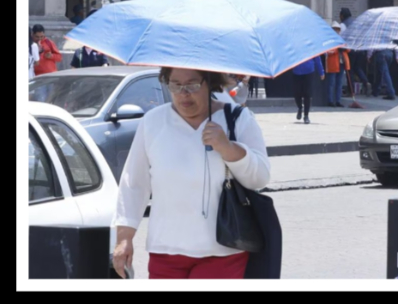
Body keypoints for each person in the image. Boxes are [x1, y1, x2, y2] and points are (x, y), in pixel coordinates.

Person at [112, 67, 271, 279]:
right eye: (175, 85)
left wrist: (228, 148)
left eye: (192, 84)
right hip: (165, 250)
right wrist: (124, 238)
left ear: (210, 82)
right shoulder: (153, 122)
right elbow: (133, 183)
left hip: (223, 250)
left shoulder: (237, 119)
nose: (183, 93)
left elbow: (260, 177)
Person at [292, 55, 325, 124]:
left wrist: (321, 71)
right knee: (297, 92)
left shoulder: (311, 45)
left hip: (309, 71)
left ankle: (306, 115)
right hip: (297, 71)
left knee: (307, 93)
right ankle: (300, 107)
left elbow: (317, 58)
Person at [325, 22, 351, 107]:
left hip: (341, 63)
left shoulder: (341, 39)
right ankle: (330, 100)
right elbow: (328, 51)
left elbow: (348, 49)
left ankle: (338, 100)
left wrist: (344, 48)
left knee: (339, 83)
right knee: (331, 83)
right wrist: (337, 49)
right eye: (334, 29)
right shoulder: (328, 39)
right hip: (332, 64)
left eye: (337, 29)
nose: (336, 31)